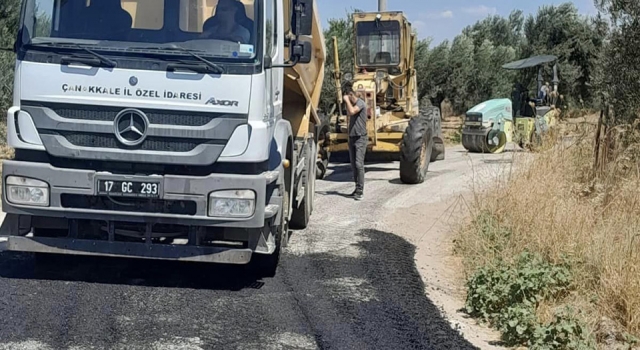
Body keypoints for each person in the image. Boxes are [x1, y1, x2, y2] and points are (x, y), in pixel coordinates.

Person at [342, 84, 368, 201]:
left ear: (351, 95)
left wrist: (347, 100)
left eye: (348, 97)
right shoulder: (351, 105)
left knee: (359, 164)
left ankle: (360, 191)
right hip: (352, 137)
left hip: (360, 138)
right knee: (353, 165)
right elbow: (348, 113)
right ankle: (356, 188)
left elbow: (352, 112)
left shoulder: (360, 103)